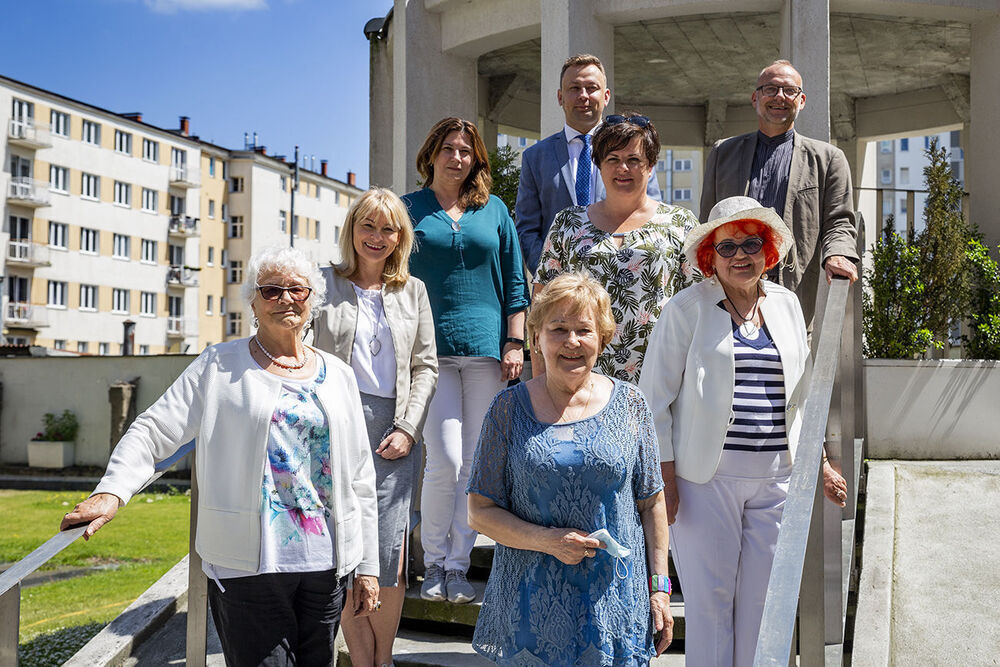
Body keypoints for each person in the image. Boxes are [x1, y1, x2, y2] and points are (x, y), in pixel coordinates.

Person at [60, 246, 380, 666]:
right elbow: (154, 430)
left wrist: (368, 565)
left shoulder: (338, 374)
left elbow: (360, 475)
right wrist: (112, 491)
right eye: (271, 290)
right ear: (253, 301)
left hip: (327, 565)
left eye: (297, 289)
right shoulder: (219, 365)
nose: (285, 298)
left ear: (312, 298)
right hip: (247, 565)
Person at [639, 196, 849, 666]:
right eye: (727, 246)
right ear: (709, 255)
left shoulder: (787, 305)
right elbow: (653, 402)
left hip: (777, 479)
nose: (740, 255)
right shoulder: (686, 309)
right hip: (703, 482)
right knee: (711, 608)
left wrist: (819, 463)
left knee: (764, 608)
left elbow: (802, 397)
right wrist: (665, 480)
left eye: (751, 244)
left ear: (767, 251)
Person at [467, 272, 673, 665]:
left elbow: (652, 503)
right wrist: (549, 541)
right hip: (533, 610)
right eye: (559, 329)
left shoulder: (631, 405)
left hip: (616, 606)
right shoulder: (507, 410)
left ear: (603, 338)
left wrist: (660, 588)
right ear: (536, 338)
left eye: (584, 330)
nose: (572, 341)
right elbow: (479, 512)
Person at [402, 117, 531, 604]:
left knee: (475, 464)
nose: (457, 157)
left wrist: (515, 341)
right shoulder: (407, 209)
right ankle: (433, 561)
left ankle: (458, 566)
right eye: (448, 148)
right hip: (428, 353)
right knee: (445, 461)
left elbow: (515, 284)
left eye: (466, 150)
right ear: (431, 154)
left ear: (476, 158)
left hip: (486, 353)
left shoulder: (494, 210)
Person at [313, 187, 438, 667]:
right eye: (368, 225)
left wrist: (408, 428)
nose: (377, 236)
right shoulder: (323, 283)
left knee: (388, 556)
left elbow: (426, 367)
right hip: (335, 429)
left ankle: (383, 659)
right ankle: (363, 661)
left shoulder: (414, 290)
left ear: (400, 237)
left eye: (388, 229)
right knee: (346, 552)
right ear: (352, 229)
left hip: (394, 433)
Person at [533, 112, 700, 384]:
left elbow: (700, 302)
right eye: (613, 159)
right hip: (580, 381)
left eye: (634, 160)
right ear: (599, 164)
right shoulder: (568, 224)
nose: (623, 168)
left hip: (663, 380)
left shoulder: (680, 223)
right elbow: (541, 309)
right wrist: (540, 384)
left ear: (650, 166)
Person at [700, 59, 859, 326]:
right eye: (770, 89)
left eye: (789, 90)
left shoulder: (828, 159)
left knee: (789, 352)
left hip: (792, 289)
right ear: (755, 98)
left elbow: (839, 221)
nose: (780, 97)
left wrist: (837, 254)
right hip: (729, 289)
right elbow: (707, 221)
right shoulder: (722, 153)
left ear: (802, 100)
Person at [515, 53, 661, 273]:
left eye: (591, 88)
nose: (583, 96)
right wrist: (550, 275)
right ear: (560, 97)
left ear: (606, 96)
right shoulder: (535, 157)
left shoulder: (634, 151)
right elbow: (527, 229)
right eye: (574, 88)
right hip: (562, 284)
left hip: (623, 275)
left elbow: (651, 215)